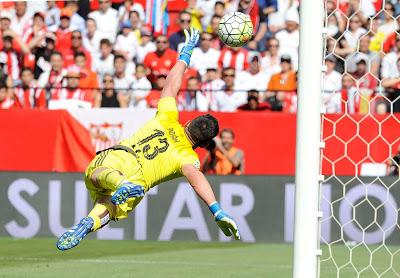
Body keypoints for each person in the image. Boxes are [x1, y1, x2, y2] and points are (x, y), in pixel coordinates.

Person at [56, 28, 240, 251]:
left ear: (189, 122)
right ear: (202, 145)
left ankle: (118, 182)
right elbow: (196, 179)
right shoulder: (187, 157)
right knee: (108, 206)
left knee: (94, 174)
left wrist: (185, 55)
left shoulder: (168, 117)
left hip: (122, 157)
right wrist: (216, 210)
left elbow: (171, 84)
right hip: (140, 181)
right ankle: (91, 221)